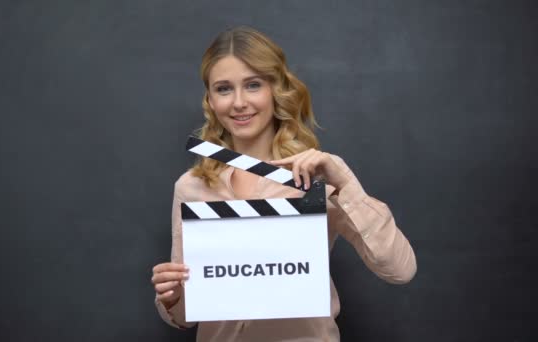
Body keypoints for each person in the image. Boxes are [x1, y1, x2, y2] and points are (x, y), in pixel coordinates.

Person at [151, 26, 417, 341]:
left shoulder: (315, 179)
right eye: (224, 89)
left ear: (276, 90)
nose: (238, 102)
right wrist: (171, 297)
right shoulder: (191, 187)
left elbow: (400, 270)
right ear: (210, 98)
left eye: (253, 85)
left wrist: (345, 184)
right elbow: (188, 314)